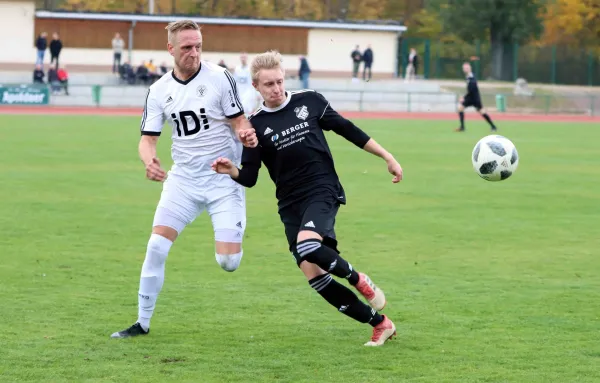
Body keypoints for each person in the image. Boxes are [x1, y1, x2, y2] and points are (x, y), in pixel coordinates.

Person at [211, 50, 403, 346]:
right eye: (269, 85)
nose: (276, 89)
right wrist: (231, 171)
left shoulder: (309, 101)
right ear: (256, 87)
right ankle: (380, 324)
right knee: (315, 277)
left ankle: (357, 278)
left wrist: (387, 156)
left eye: (279, 81)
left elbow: (348, 130)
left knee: (309, 244)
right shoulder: (254, 127)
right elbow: (249, 178)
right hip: (290, 205)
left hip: (322, 189)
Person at [111, 20, 258, 339]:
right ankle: (142, 322)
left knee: (228, 262)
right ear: (171, 49)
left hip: (223, 180)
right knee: (156, 246)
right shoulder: (159, 90)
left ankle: (234, 226)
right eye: (187, 47)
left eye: (198, 46)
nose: (194, 52)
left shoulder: (221, 78)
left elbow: (238, 119)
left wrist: (244, 133)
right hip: (184, 181)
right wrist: (149, 162)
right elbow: (147, 139)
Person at [456, 62, 497, 132]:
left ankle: (493, 126)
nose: (465, 69)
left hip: (475, 98)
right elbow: (469, 90)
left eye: (467, 68)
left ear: (470, 68)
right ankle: (462, 127)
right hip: (470, 98)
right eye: (464, 68)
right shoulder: (468, 77)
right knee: (460, 109)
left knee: (482, 112)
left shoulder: (472, 77)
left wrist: (463, 98)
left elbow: (472, 90)